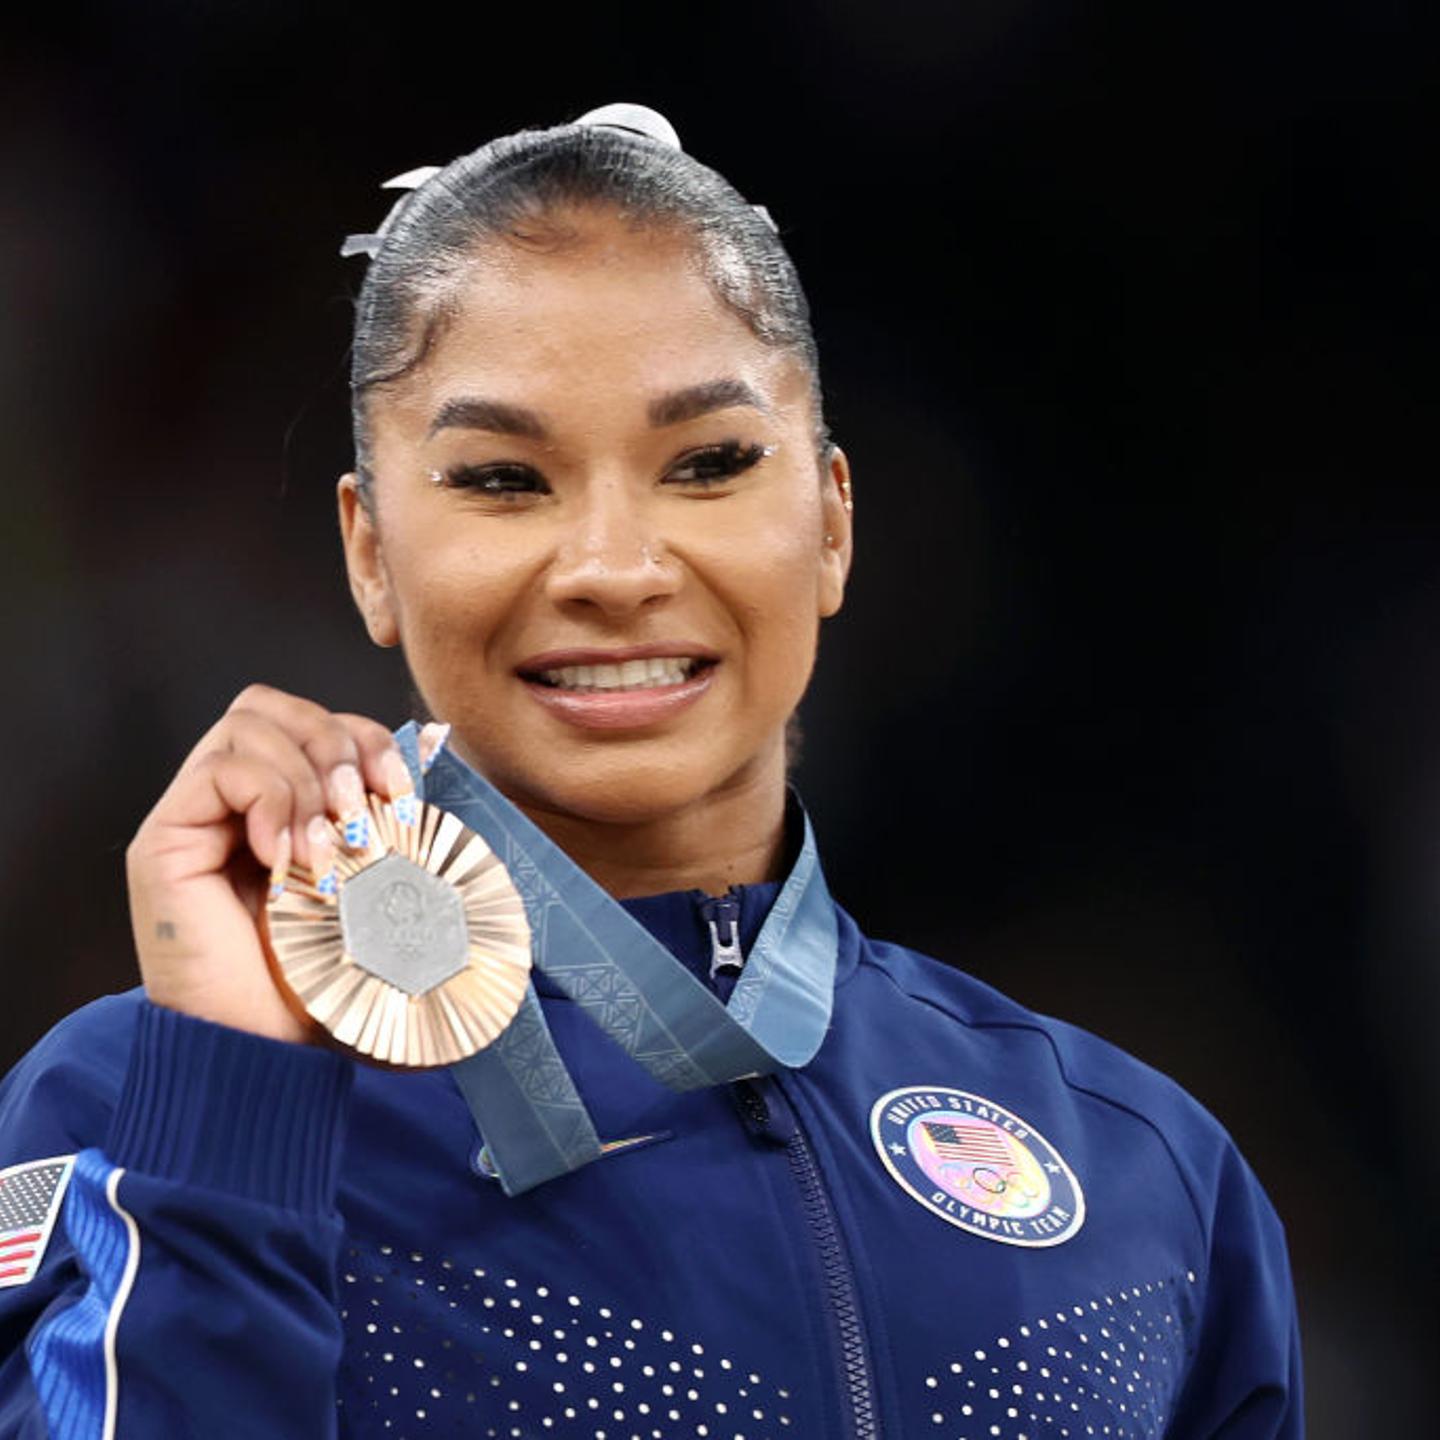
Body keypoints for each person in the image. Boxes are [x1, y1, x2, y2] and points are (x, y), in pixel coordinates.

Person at [0, 104, 1301, 1439]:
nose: (615, 569)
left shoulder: (1145, 1171)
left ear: (834, 525)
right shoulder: (131, 1108)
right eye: (504, 478)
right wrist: (230, 1098)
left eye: (712, 463)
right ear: (371, 553)